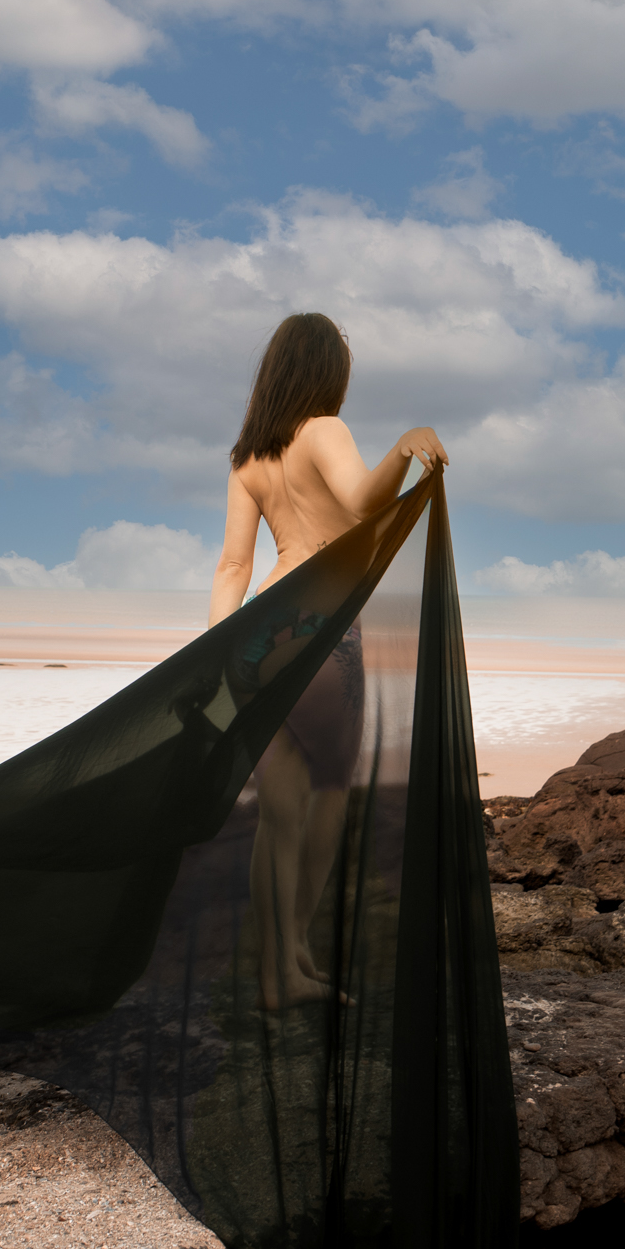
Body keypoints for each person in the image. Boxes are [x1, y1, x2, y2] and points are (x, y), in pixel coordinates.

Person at [208, 312, 446, 1007]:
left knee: (276, 814)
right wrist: (404, 447)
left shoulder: (249, 458)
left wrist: (219, 658)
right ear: (326, 375)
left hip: (258, 636)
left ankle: (276, 974)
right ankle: (298, 957)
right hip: (322, 634)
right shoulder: (325, 431)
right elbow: (364, 500)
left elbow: (231, 566)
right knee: (332, 793)